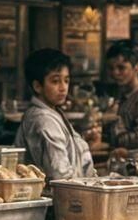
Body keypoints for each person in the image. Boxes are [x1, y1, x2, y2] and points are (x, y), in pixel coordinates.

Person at [16, 48, 96, 182]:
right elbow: (59, 175)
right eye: (55, 81)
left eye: (66, 80)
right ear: (37, 86)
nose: (63, 88)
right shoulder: (43, 119)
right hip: (58, 192)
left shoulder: (53, 112)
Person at [102, 40, 138, 152]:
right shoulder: (121, 96)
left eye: (121, 68)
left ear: (137, 67)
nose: (115, 73)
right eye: (111, 68)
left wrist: (112, 137)